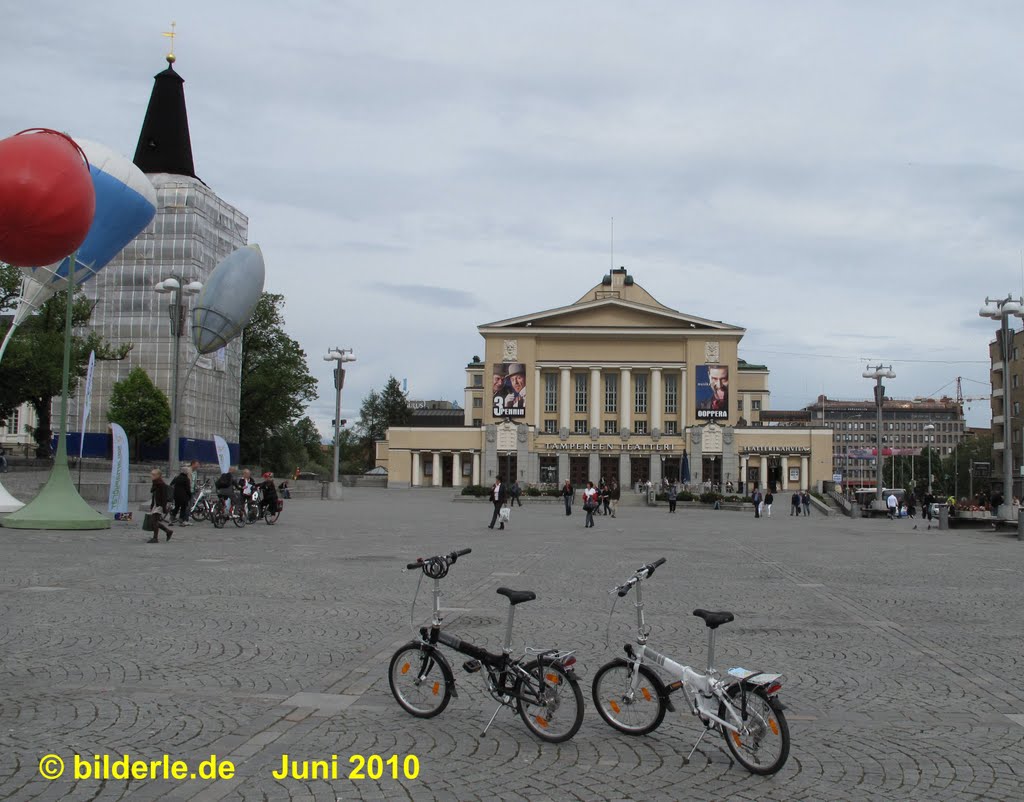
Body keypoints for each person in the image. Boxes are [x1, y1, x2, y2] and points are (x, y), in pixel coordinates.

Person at [146, 468, 173, 543]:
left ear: (158, 476)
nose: (151, 476)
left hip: (159, 505)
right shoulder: (155, 483)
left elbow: (164, 497)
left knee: (154, 521)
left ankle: (155, 538)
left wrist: (163, 507)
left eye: (153, 475)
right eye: (151, 474)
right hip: (156, 504)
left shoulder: (161, 484)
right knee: (154, 521)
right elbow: (154, 495)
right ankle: (168, 531)